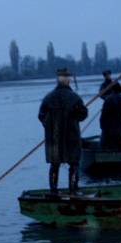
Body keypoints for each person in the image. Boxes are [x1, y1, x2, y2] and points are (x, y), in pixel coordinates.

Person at [38, 67, 88, 196]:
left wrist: (48, 127)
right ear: (67, 80)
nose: (70, 80)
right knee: (74, 164)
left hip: (53, 139)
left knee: (55, 165)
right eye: (68, 78)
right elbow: (83, 115)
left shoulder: (48, 98)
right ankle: (73, 192)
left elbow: (41, 116)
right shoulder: (75, 98)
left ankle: (53, 192)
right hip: (71, 137)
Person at [100, 82, 121, 150]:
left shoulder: (108, 99)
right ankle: (118, 155)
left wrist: (102, 125)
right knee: (118, 141)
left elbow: (104, 114)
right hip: (119, 125)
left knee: (106, 143)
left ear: (112, 89)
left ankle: (106, 155)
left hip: (108, 126)